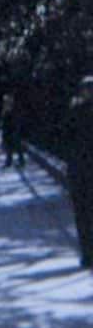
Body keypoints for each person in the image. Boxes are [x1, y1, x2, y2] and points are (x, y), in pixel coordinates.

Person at [64, 75, 93, 267]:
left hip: (79, 168)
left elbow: (64, 138)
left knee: (82, 214)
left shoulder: (75, 111)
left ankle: (87, 253)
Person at [1, 93, 24, 168]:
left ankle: (21, 162)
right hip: (8, 130)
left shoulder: (13, 109)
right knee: (9, 147)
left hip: (13, 130)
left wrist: (14, 128)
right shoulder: (6, 109)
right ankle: (9, 161)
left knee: (17, 147)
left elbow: (15, 120)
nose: (5, 102)